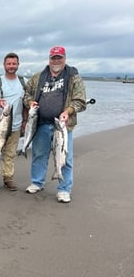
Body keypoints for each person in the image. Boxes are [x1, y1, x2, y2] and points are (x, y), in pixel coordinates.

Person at [23, 46, 86, 203]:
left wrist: (68, 111)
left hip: (63, 125)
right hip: (41, 123)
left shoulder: (73, 77)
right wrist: (31, 102)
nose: (56, 60)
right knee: (39, 154)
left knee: (65, 157)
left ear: (64, 58)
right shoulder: (38, 77)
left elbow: (80, 101)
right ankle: (37, 182)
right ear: (49, 59)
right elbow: (26, 95)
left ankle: (64, 189)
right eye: (53, 58)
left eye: (59, 57)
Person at [0, 52, 27, 192]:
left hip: (16, 125)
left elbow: (26, 104)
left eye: (14, 63)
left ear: (18, 65)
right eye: (8, 63)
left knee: (11, 154)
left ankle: (8, 178)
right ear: (4, 65)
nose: (11, 66)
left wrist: (25, 121)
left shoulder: (24, 82)